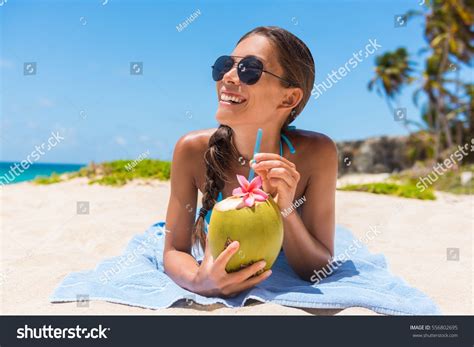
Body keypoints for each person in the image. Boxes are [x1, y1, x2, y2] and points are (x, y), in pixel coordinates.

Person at [163, 26, 337, 297]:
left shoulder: (317, 153)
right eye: (224, 66)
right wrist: (199, 281)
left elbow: (316, 269)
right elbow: (174, 250)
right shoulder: (191, 150)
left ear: (289, 97)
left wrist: (286, 209)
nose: (228, 78)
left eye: (249, 69)